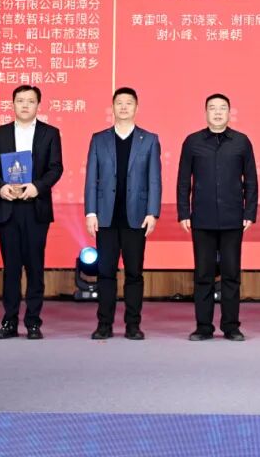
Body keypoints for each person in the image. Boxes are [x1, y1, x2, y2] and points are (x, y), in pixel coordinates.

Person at [0, 85, 64, 340]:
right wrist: (1, 187)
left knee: (34, 267)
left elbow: (56, 168)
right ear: (13, 104)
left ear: (38, 105)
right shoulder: (1, 133)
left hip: (35, 207)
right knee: (11, 268)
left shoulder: (50, 133)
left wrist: (37, 187)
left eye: (30, 101)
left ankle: (33, 322)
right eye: (20, 101)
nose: (25, 105)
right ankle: (9, 321)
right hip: (8, 207)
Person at [177, 93, 258, 341]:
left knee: (231, 274)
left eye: (222, 108)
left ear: (229, 112)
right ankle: (203, 327)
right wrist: (183, 212)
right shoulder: (192, 142)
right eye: (212, 108)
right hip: (202, 218)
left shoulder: (241, 142)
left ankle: (231, 326)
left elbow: (251, 180)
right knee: (203, 275)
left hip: (233, 218)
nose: (218, 112)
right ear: (206, 113)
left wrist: (249, 212)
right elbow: (183, 180)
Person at [84, 87, 161, 340]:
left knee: (134, 274)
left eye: (129, 103)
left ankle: (133, 325)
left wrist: (152, 212)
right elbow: (91, 179)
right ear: (112, 107)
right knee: (105, 273)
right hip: (105, 217)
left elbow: (154, 179)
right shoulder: (99, 139)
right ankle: (104, 325)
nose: (124, 107)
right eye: (119, 103)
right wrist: (90, 212)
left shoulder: (149, 140)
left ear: (136, 108)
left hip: (136, 217)